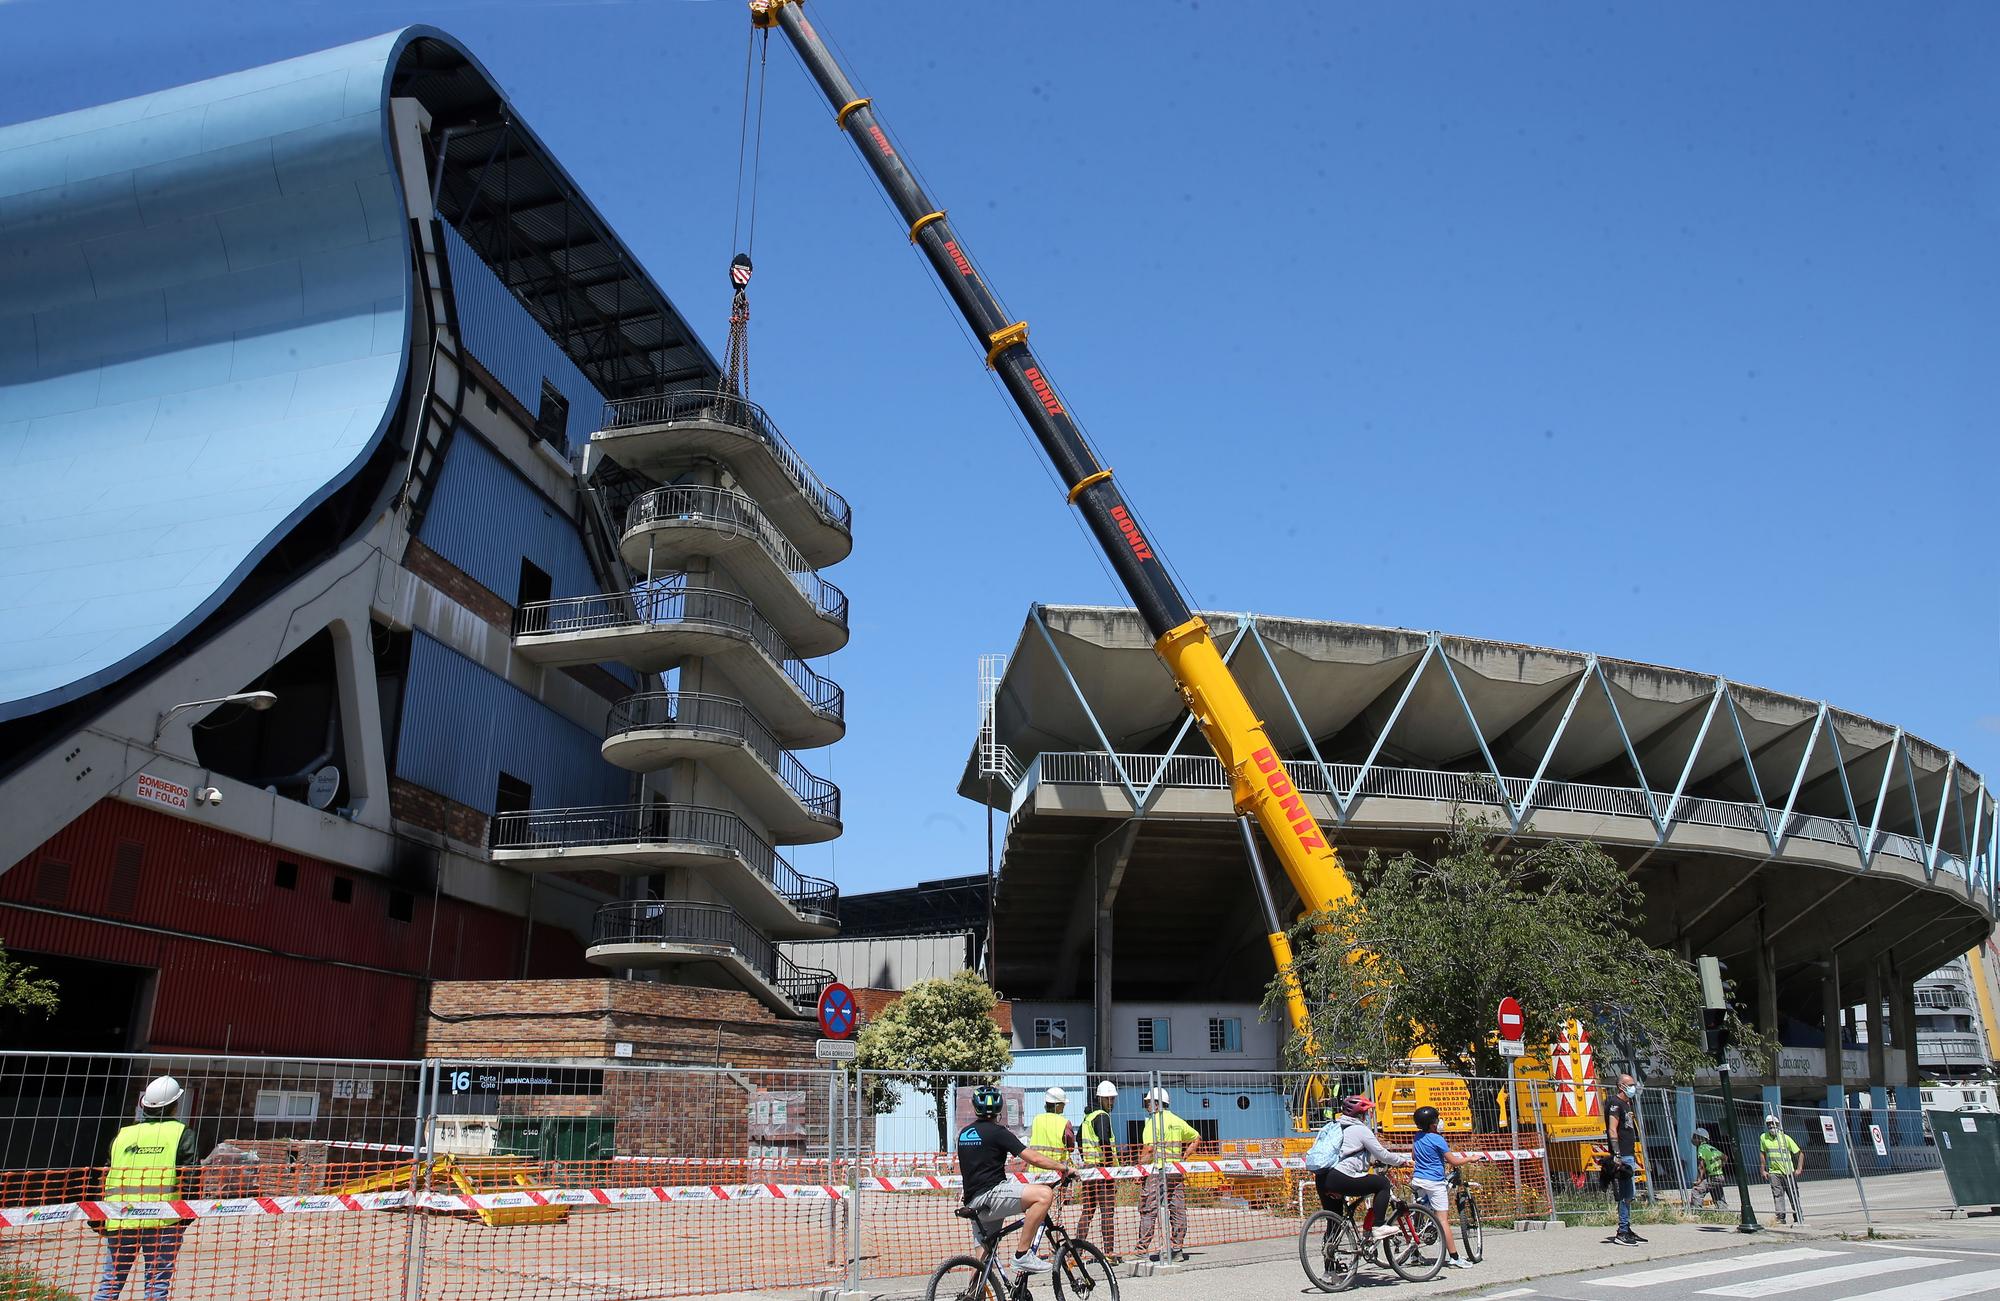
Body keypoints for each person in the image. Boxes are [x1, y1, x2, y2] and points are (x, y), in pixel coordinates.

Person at [93, 1076, 197, 1301]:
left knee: (109, 1285)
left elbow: (105, 1176)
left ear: (143, 1104)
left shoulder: (123, 1135)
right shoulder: (181, 1134)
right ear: (174, 1105)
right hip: (164, 1220)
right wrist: (186, 1215)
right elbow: (190, 1179)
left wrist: (98, 1216)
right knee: (156, 1286)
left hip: (121, 1218)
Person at [957, 1084, 1070, 1276]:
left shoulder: (964, 1134)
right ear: (999, 1108)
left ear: (975, 1107)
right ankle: (1022, 1255)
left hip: (973, 1201)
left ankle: (973, 1295)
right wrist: (1064, 1167)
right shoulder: (998, 1132)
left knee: (981, 1264)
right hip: (992, 1197)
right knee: (1043, 1195)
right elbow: (1033, 1158)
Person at [1303, 1094, 1410, 1243]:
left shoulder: (1333, 1126)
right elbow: (1382, 1154)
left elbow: (1347, 1152)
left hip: (1323, 1177)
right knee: (1382, 1184)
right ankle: (1378, 1226)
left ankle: (1330, 1262)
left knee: (1335, 1222)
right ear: (1361, 1114)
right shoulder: (1361, 1130)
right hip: (1341, 1177)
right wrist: (1401, 1161)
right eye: (1366, 1113)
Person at [1133, 1086, 1201, 1264]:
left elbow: (1148, 1149)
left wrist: (1139, 1170)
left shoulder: (1152, 1122)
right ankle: (1177, 1250)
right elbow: (1196, 1137)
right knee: (1177, 1209)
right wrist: (1185, 1155)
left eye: (1148, 1103)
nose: (1146, 1106)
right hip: (1175, 1171)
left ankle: (1142, 1250)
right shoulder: (1177, 1121)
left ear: (1157, 1104)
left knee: (1149, 1209)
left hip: (1156, 1172)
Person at [1410, 1105, 1474, 1268]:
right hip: (1434, 1182)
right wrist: (1470, 1158)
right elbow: (1453, 1161)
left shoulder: (1417, 1136)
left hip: (1418, 1179)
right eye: (1437, 1120)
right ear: (1433, 1124)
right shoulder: (1438, 1139)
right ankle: (1454, 1257)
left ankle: (1414, 1254)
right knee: (1442, 1220)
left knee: (1418, 1216)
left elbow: (1414, 1156)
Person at [1073, 1081, 1120, 1259]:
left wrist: (1087, 1160)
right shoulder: (1101, 1116)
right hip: (1102, 1171)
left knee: (1088, 1211)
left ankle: (1076, 1253)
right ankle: (1109, 1254)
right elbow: (1104, 1142)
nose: (1112, 1102)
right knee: (1107, 1212)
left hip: (1089, 1171)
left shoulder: (1087, 1118)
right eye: (1109, 1099)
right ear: (1101, 1098)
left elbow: (1079, 1140)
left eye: (1113, 1099)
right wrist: (1109, 1167)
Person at [1603, 1072, 1645, 1246]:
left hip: (1630, 1152)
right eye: (1630, 1084)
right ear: (1621, 1086)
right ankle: (1622, 1230)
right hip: (1623, 1155)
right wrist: (1617, 1154)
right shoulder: (1615, 1103)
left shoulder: (1627, 1104)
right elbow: (1612, 1129)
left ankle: (1627, 1228)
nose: (1633, 1087)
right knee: (1625, 1194)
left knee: (1630, 1195)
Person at [1758, 1115, 1804, 1224]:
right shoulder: (1763, 1137)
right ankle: (1780, 1218)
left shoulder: (1785, 1138)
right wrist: (1763, 1169)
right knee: (1777, 1195)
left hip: (1788, 1172)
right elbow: (1762, 1153)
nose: (1771, 1126)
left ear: (1778, 1125)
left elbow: (1799, 1153)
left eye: (1773, 1123)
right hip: (1774, 1172)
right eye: (1768, 1124)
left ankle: (1798, 1216)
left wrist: (1799, 1168)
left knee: (1793, 1195)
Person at [1027, 1087, 1076, 1172]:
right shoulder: (1064, 1122)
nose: (1064, 1106)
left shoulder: (1036, 1119)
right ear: (1057, 1105)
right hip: (1056, 1169)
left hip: (1035, 1169)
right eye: (1062, 1104)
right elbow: (1071, 1147)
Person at [1688, 1128, 1729, 1209]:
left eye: (1695, 1137)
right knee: (1717, 1193)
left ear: (1699, 1138)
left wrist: (1699, 1180)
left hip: (1713, 1177)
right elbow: (1725, 1157)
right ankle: (1723, 1211)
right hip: (1720, 1176)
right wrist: (1719, 1166)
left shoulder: (1701, 1148)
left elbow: (1701, 1166)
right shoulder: (1711, 1148)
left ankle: (1696, 1211)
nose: (1693, 1139)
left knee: (1697, 1190)